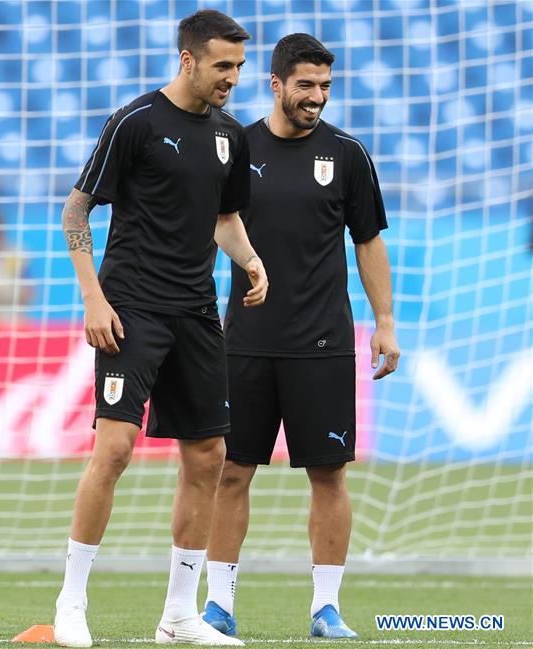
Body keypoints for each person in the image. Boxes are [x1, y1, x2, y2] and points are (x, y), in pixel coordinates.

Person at [53, 9, 268, 648]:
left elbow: (224, 218)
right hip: (131, 309)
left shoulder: (230, 135)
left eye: (239, 67)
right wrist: (93, 299)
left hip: (197, 312)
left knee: (209, 457)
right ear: (188, 59)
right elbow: (76, 209)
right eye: (222, 65)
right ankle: (71, 602)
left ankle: (179, 616)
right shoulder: (136, 122)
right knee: (115, 449)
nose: (232, 78)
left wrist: (251, 260)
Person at [199, 33, 400, 640]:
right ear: (276, 84)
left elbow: (368, 241)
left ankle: (326, 609)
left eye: (325, 86)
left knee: (329, 476)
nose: (317, 96)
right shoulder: (234, 147)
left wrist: (385, 323)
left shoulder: (347, 154)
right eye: (306, 85)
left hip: (323, 345)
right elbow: (211, 225)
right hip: (245, 341)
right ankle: (218, 605)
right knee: (231, 473)